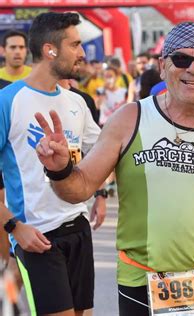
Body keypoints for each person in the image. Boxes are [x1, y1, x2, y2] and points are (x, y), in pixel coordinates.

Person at [34, 21, 194, 315]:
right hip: (141, 284)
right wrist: (60, 169)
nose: (193, 69)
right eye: (181, 59)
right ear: (162, 66)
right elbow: (79, 188)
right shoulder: (129, 119)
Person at [0, 12, 104, 315]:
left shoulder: (76, 102)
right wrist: (13, 226)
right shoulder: (8, 101)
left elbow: (99, 155)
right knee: (10, 276)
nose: (83, 53)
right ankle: (6, 306)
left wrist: (100, 194)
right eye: (75, 45)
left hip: (78, 229)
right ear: (50, 50)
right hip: (34, 235)